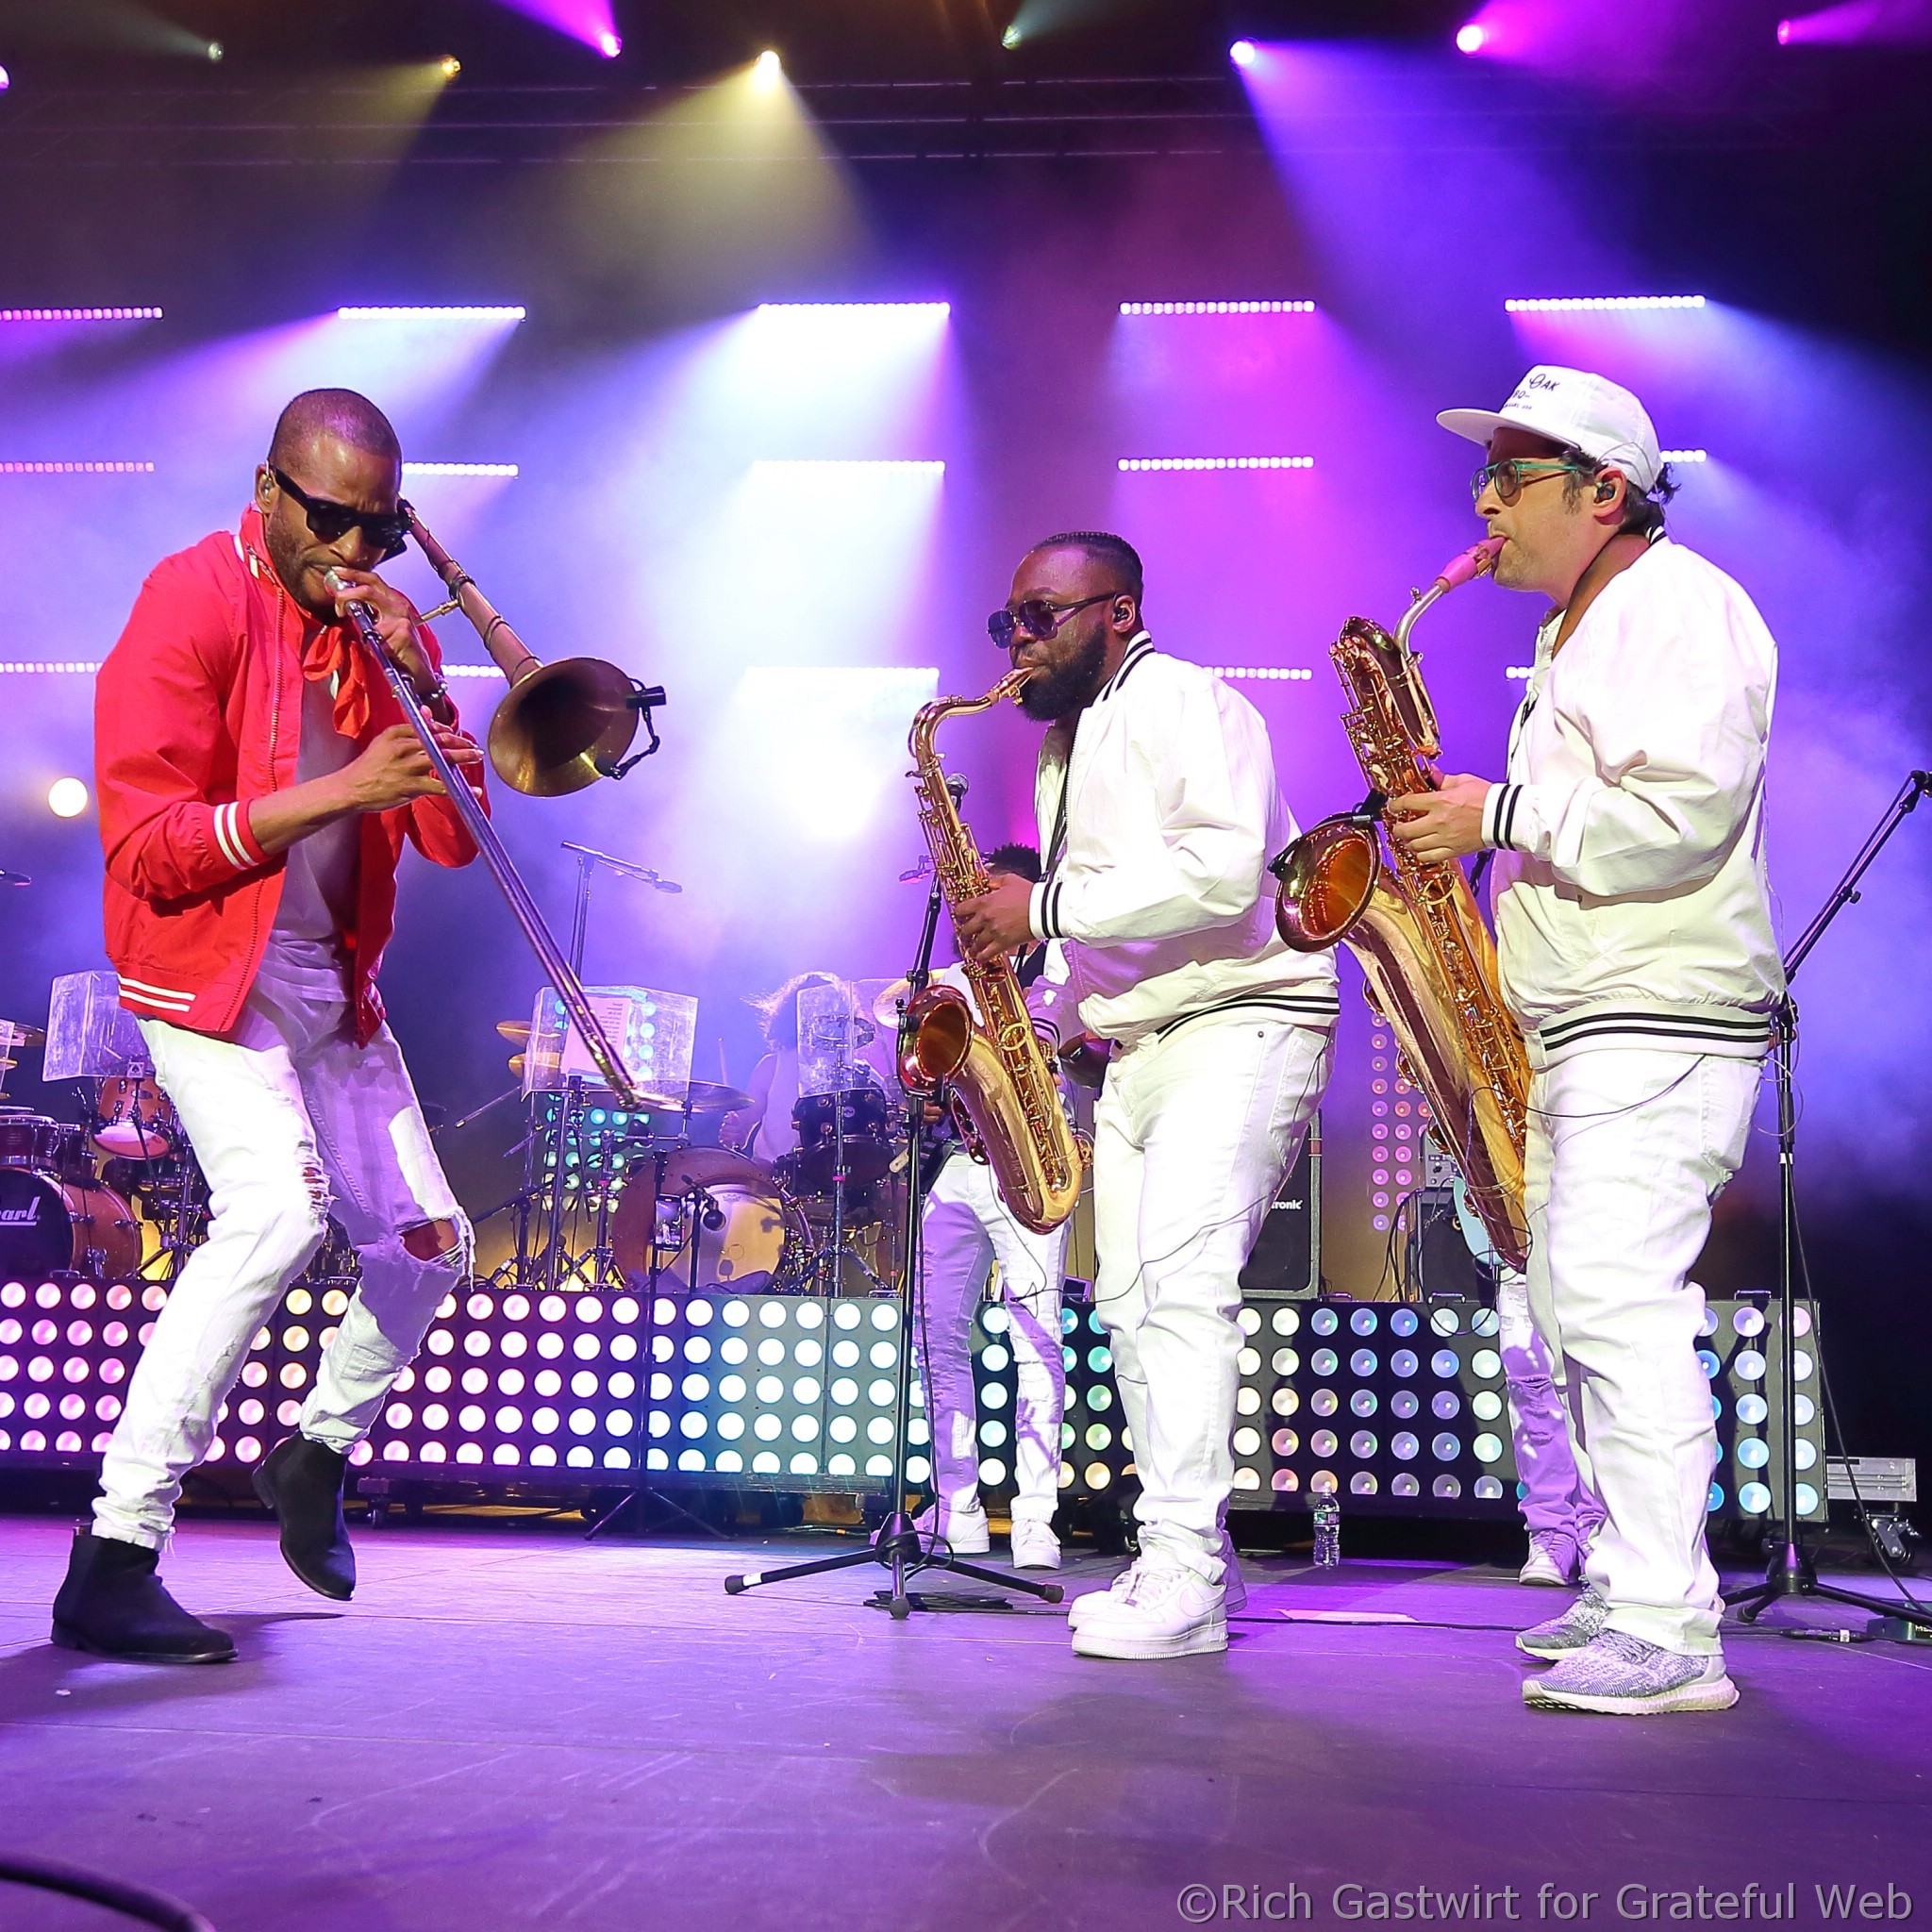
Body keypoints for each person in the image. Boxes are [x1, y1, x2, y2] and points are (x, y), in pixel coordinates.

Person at [53, 388, 486, 1664]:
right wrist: (343, 789)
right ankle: (115, 1551)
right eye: (331, 520)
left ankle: (317, 1454)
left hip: (328, 978)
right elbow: (149, 850)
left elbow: (455, 838)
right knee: (279, 1216)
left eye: (379, 531)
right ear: (266, 489)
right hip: (203, 971)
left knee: (431, 1243)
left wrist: (424, 682)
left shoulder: (373, 630)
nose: (352, 551)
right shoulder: (189, 598)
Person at [1391, 365, 1780, 1714]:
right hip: (1586, 1020)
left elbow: (1682, 817)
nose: (1484, 505)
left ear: (1604, 490)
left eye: (1512, 478)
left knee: (1615, 1303)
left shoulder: (1679, 607)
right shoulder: (1579, 628)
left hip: (1655, 1011)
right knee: (1572, 1310)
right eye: (1484, 477)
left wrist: (1495, 816)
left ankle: (1673, 1630)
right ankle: (1627, 1582)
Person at [955, 530, 1338, 1660]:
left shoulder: (1186, 702)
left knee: (1178, 1289)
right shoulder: (1065, 745)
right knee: (1126, 1306)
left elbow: (1220, 872)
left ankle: (1184, 1567)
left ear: (1115, 611)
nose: (1018, 641)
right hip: (1135, 1047)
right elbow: (1115, 913)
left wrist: (1040, 910)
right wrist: (1048, 1017)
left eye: (1041, 615)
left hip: (1240, 1019)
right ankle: (1180, 1551)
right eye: (1008, 622)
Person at [913, 841, 1071, 1572]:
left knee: (1037, 1341)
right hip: (958, 1165)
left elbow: (1053, 1047)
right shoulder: (948, 982)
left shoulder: (1063, 963)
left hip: (1031, 1162)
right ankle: (958, 1509)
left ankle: (1036, 1518)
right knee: (937, 1337)